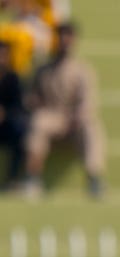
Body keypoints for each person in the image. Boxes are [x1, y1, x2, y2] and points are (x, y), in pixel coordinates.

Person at [21, 21, 106, 199]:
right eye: (61, 36)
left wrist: (78, 116)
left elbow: (88, 102)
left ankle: (94, 179)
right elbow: (30, 98)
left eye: (68, 37)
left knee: (91, 127)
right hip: (52, 117)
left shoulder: (82, 70)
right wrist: (34, 103)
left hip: (74, 120)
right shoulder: (43, 70)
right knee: (38, 122)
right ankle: (33, 178)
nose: (64, 41)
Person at [0, 40, 27, 190]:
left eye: (3, 55)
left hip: (6, 126)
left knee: (21, 132)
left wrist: (5, 113)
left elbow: (19, 106)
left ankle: (12, 178)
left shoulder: (13, 78)